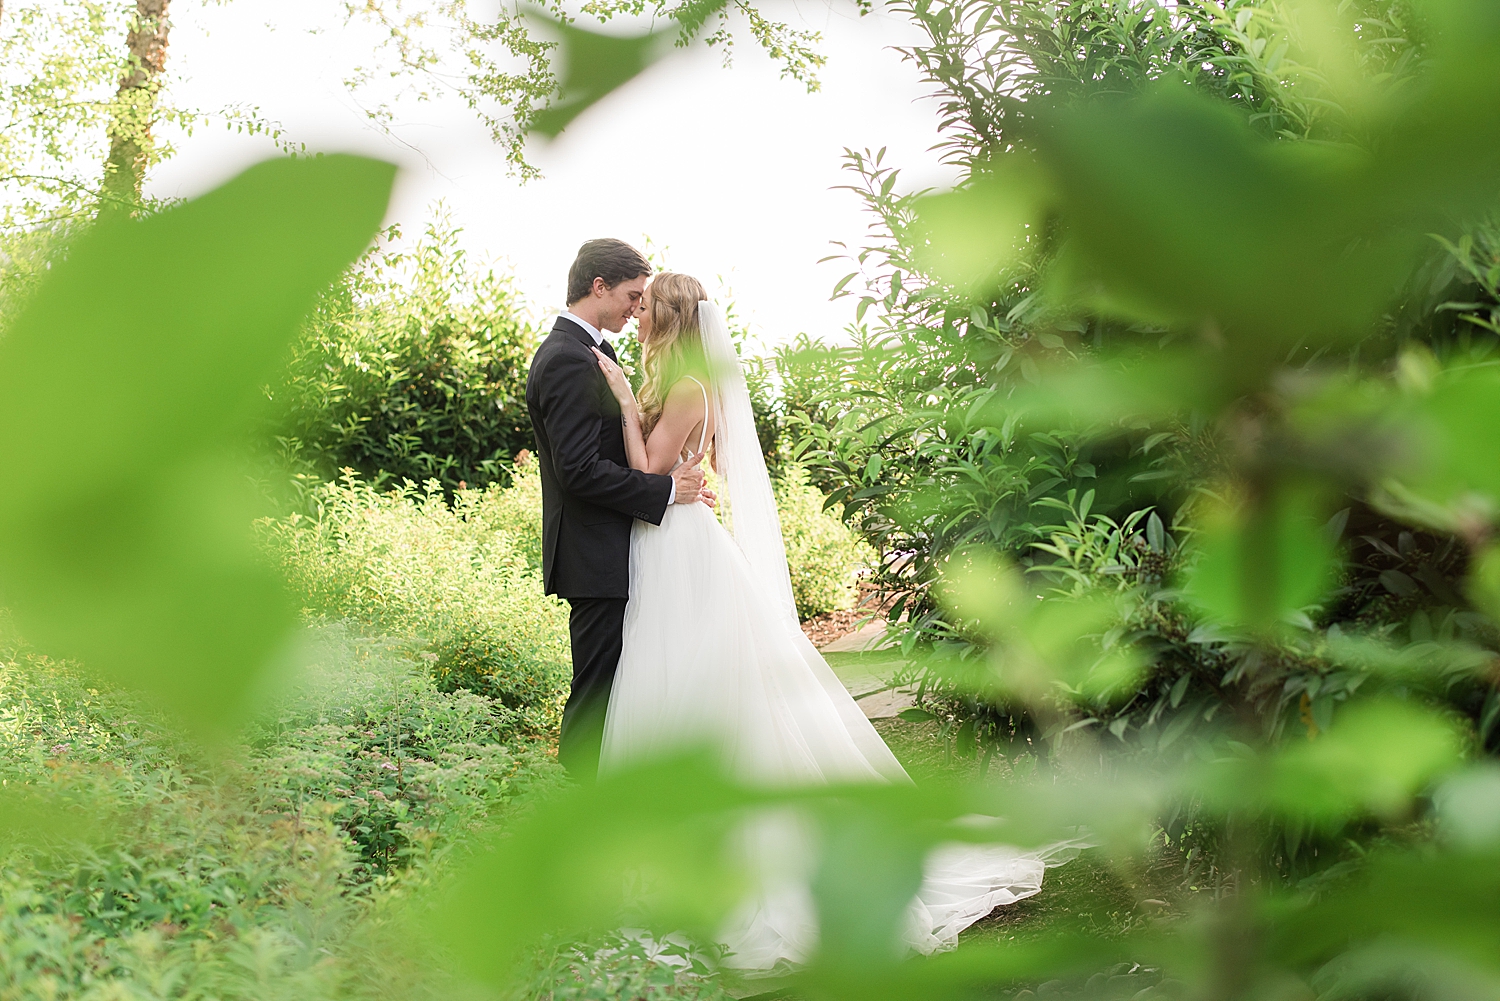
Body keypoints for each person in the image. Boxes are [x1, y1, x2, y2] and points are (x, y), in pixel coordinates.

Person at [590, 272, 1076, 972]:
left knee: (689, 684)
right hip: (674, 539)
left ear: (666, 319)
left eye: (644, 310)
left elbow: (655, 470)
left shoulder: (692, 383)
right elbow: (702, 463)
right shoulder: (690, 380)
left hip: (678, 543)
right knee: (675, 680)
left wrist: (626, 408)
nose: (635, 319)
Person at [524, 240, 712, 779]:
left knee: (622, 688)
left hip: (620, 546)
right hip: (595, 553)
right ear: (598, 286)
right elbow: (578, 470)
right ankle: (575, 806)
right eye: (632, 295)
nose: (637, 307)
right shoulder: (565, 357)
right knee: (596, 691)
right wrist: (666, 492)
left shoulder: (593, 352)